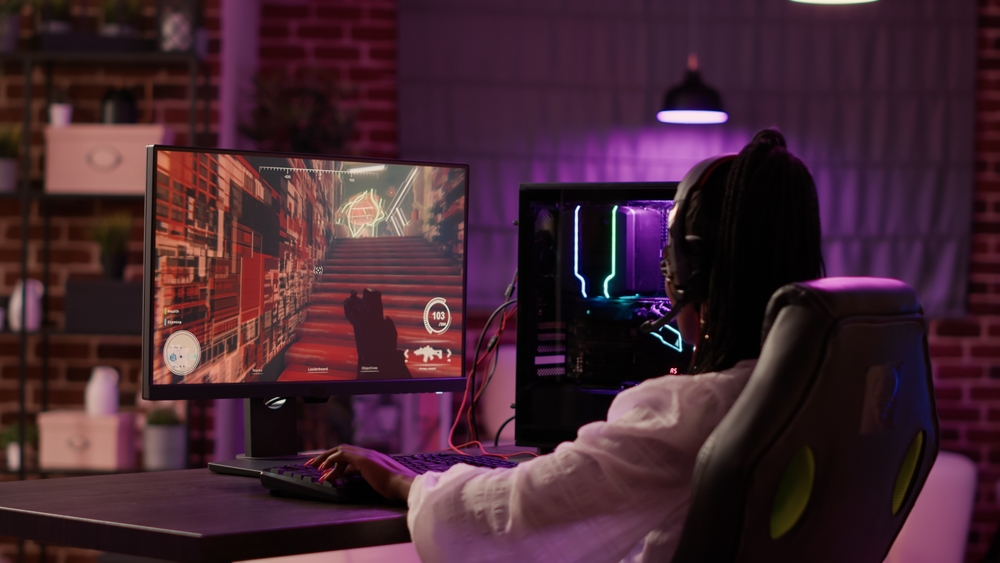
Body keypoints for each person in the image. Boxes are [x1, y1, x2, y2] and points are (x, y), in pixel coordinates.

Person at [305, 128, 826, 562]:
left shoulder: (691, 415)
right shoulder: (813, 392)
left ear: (690, 271)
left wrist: (403, 483)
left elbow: (511, 513)